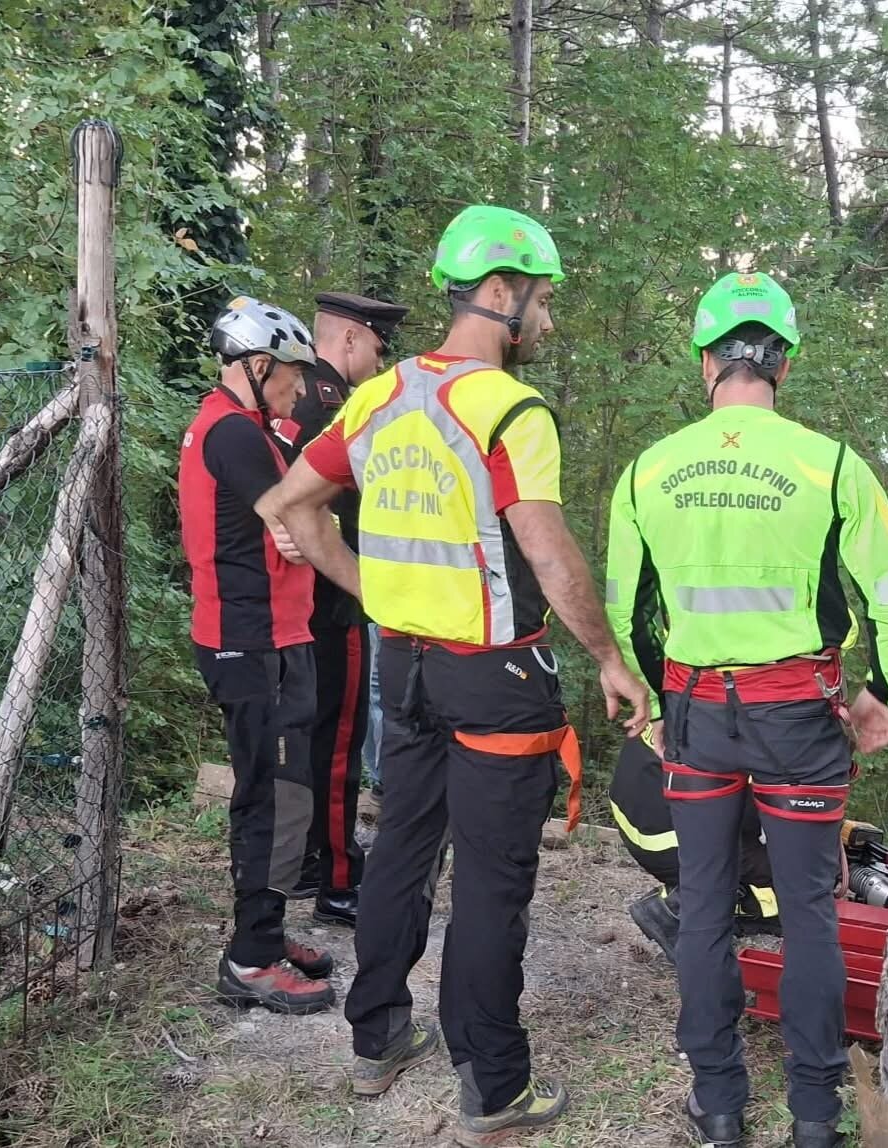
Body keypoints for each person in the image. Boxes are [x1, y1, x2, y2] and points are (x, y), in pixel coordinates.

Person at [255, 204, 649, 1146]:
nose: (546, 321)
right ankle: (493, 1086)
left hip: (408, 667)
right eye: (542, 301)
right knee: (491, 878)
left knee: (401, 849)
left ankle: (377, 1036)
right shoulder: (508, 407)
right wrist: (607, 657)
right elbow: (548, 556)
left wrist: (379, 591)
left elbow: (287, 506)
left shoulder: (379, 399)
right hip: (498, 678)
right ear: (501, 294)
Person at [604, 271, 888, 1148]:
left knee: (701, 906)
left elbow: (627, 610)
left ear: (707, 362)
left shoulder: (647, 471)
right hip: (801, 720)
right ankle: (816, 1114)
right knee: (808, 910)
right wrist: (882, 694)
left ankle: (720, 1104)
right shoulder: (831, 464)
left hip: (697, 716)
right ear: (783, 362)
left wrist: (658, 700)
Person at [180, 296, 335, 1015]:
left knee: (284, 792)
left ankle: (264, 937)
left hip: (275, 638)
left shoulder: (247, 429)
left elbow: (294, 515)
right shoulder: (234, 434)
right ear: (258, 364)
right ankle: (251, 957)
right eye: (292, 375)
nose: (300, 388)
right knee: (270, 798)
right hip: (253, 643)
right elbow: (294, 513)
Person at [274, 291, 409, 927]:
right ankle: (337, 877)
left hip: (301, 602)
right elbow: (308, 503)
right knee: (337, 744)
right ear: (351, 339)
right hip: (333, 598)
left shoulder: (294, 394)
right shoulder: (333, 404)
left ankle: (306, 861)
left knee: (309, 734)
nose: (381, 366)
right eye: (379, 350)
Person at [613, 722, 779, 964]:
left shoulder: (703, 695)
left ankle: (715, 902)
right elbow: (764, 823)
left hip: (639, 820)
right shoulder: (765, 736)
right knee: (787, 875)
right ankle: (674, 911)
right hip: (668, 838)